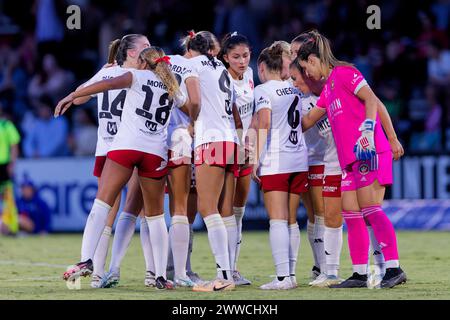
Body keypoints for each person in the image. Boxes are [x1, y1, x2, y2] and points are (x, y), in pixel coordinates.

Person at [57, 46, 184, 290]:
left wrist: (72, 96)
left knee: (102, 204)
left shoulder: (134, 75)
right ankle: (159, 275)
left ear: (144, 63)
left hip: (126, 147)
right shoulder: (173, 86)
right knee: (156, 217)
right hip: (155, 152)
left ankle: (86, 261)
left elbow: (106, 85)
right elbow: (188, 106)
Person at [298, 30, 407, 289]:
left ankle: (394, 267)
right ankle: (359, 273)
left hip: (368, 151)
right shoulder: (328, 90)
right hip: (351, 159)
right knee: (351, 212)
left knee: (370, 209)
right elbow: (307, 121)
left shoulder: (346, 73)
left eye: (305, 68)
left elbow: (372, 99)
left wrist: (373, 131)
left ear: (313, 59)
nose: (307, 75)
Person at [62, 34, 154, 289]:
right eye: (145, 47)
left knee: (112, 212)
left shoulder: (109, 72)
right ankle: (131, 271)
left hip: (113, 147)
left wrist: (74, 94)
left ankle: (101, 271)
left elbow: (80, 97)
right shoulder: (135, 76)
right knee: (137, 210)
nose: (151, 50)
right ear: (132, 53)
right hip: (128, 145)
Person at [185, 30, 242, 292]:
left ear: (191, 48)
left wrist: (191, 120)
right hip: (230, 140)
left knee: (208, 209)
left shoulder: (192, 64)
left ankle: (223, 276)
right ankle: (228, 272)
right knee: (224, 211)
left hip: (210, 139)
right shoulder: (221, 67)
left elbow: (194, 99)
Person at [252, 43, 309, 290]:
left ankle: (283, 278)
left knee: (276, 220)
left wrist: (255, 159)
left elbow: (264, 121)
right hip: (299, 159)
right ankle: (292, 274)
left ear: (262, 67)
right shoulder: (293, 88)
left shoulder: (264, 90)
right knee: (291, 220)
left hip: (277, 160)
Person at [290, 58, 343, 287]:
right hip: (306, 159)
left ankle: (326, 268)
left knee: (323, 214)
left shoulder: (325, 95)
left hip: (325, 160)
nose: (293, 83)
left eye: (295, 78)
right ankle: (319, 265)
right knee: (314, 215)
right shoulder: (297, 99)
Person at [217, 31, 254, 286]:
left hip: (248, 147)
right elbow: (233, 115)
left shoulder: (250, 75)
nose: (242, 61)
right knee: (225, 211)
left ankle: (233, 267)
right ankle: (224, 269)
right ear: (226, 58)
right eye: (236, 57)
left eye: (246, 55)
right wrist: (241, 143)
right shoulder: (221, 78)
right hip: (227, 146)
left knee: (239, 211)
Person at [0, 104, 20, 235]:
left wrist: (12, 164)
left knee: (8, 198)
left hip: (3, 165)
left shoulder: (6, 125)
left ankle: (11, 227)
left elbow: (14, 145)